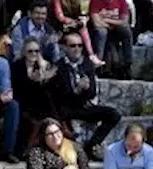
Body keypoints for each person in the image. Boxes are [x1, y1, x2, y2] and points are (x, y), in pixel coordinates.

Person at [50, 30, 121, 158]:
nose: (77, 48)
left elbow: (92, 92)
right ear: (65, 47)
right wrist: (76, 91)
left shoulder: (87, 64)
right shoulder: (59, 66)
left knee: (113, 114)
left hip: (83, 105)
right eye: (73, 45)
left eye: (80, 45)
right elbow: (58, 94)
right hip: (67, 108)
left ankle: (92, 145)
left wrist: (87, 89)